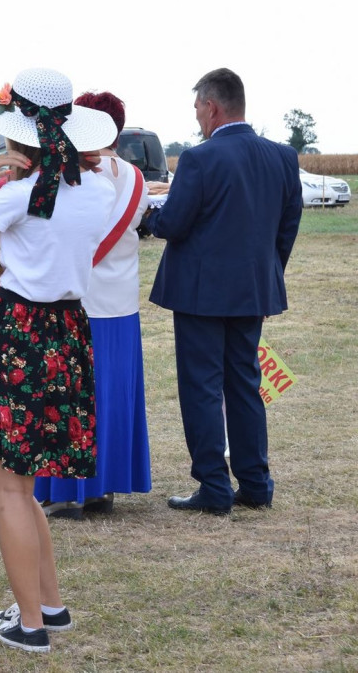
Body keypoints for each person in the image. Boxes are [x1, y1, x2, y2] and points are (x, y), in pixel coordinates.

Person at [0, 67, 118, 653]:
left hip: (20, 337)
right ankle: (49, 605)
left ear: (19, 136)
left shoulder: (16, 196)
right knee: (16, 478)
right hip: (65, 332)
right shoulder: (102, 192)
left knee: (11, 482)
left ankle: (30, 624)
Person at [142, 68, 302, 515]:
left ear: (211, 107)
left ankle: (214, 486)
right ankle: (255, 483)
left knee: (202, 389)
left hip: (200, 294)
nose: (196, 117)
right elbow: (287, 226)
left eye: (196, 107)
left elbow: (174, 222)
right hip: (252, 290)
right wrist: (267, 277)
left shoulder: (199, 158)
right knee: (246, 384)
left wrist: (148, 217)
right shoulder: (282, 156)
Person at [34, 90, 152, 519]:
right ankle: (104, 488)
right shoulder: (137, 179)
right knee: (114, 397)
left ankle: (67, 492)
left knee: (72, 397)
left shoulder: (77, 178)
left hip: (78, 302)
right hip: (122, 304)